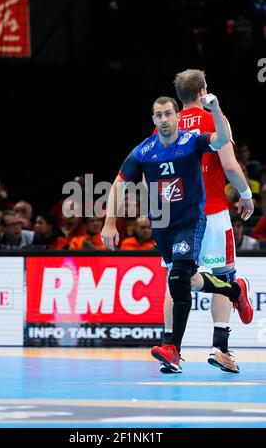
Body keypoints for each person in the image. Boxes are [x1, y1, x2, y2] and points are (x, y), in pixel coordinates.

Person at [101, 94, 253, 373]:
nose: (164, 120)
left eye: (168, 114)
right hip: (164, 225)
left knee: (179, 277)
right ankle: (234, 289)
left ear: (177, 116)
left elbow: (220, 140)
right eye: (158, 116)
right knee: (190, 281)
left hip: (191, 220)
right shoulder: (144, 151)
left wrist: (217, 109)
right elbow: (119, 183)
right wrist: (110, 222)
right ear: (153, 120)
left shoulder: (190, 142)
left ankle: (172, 349)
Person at [155, 69, 255, 374]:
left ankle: (173, 349)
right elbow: (230, 165)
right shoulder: (215, 120)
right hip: (211, 212)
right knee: (223, 276)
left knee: (176, 281)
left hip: (174, 216)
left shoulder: (166, 125)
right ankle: (220, 348)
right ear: (204, 90)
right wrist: (246, 194)